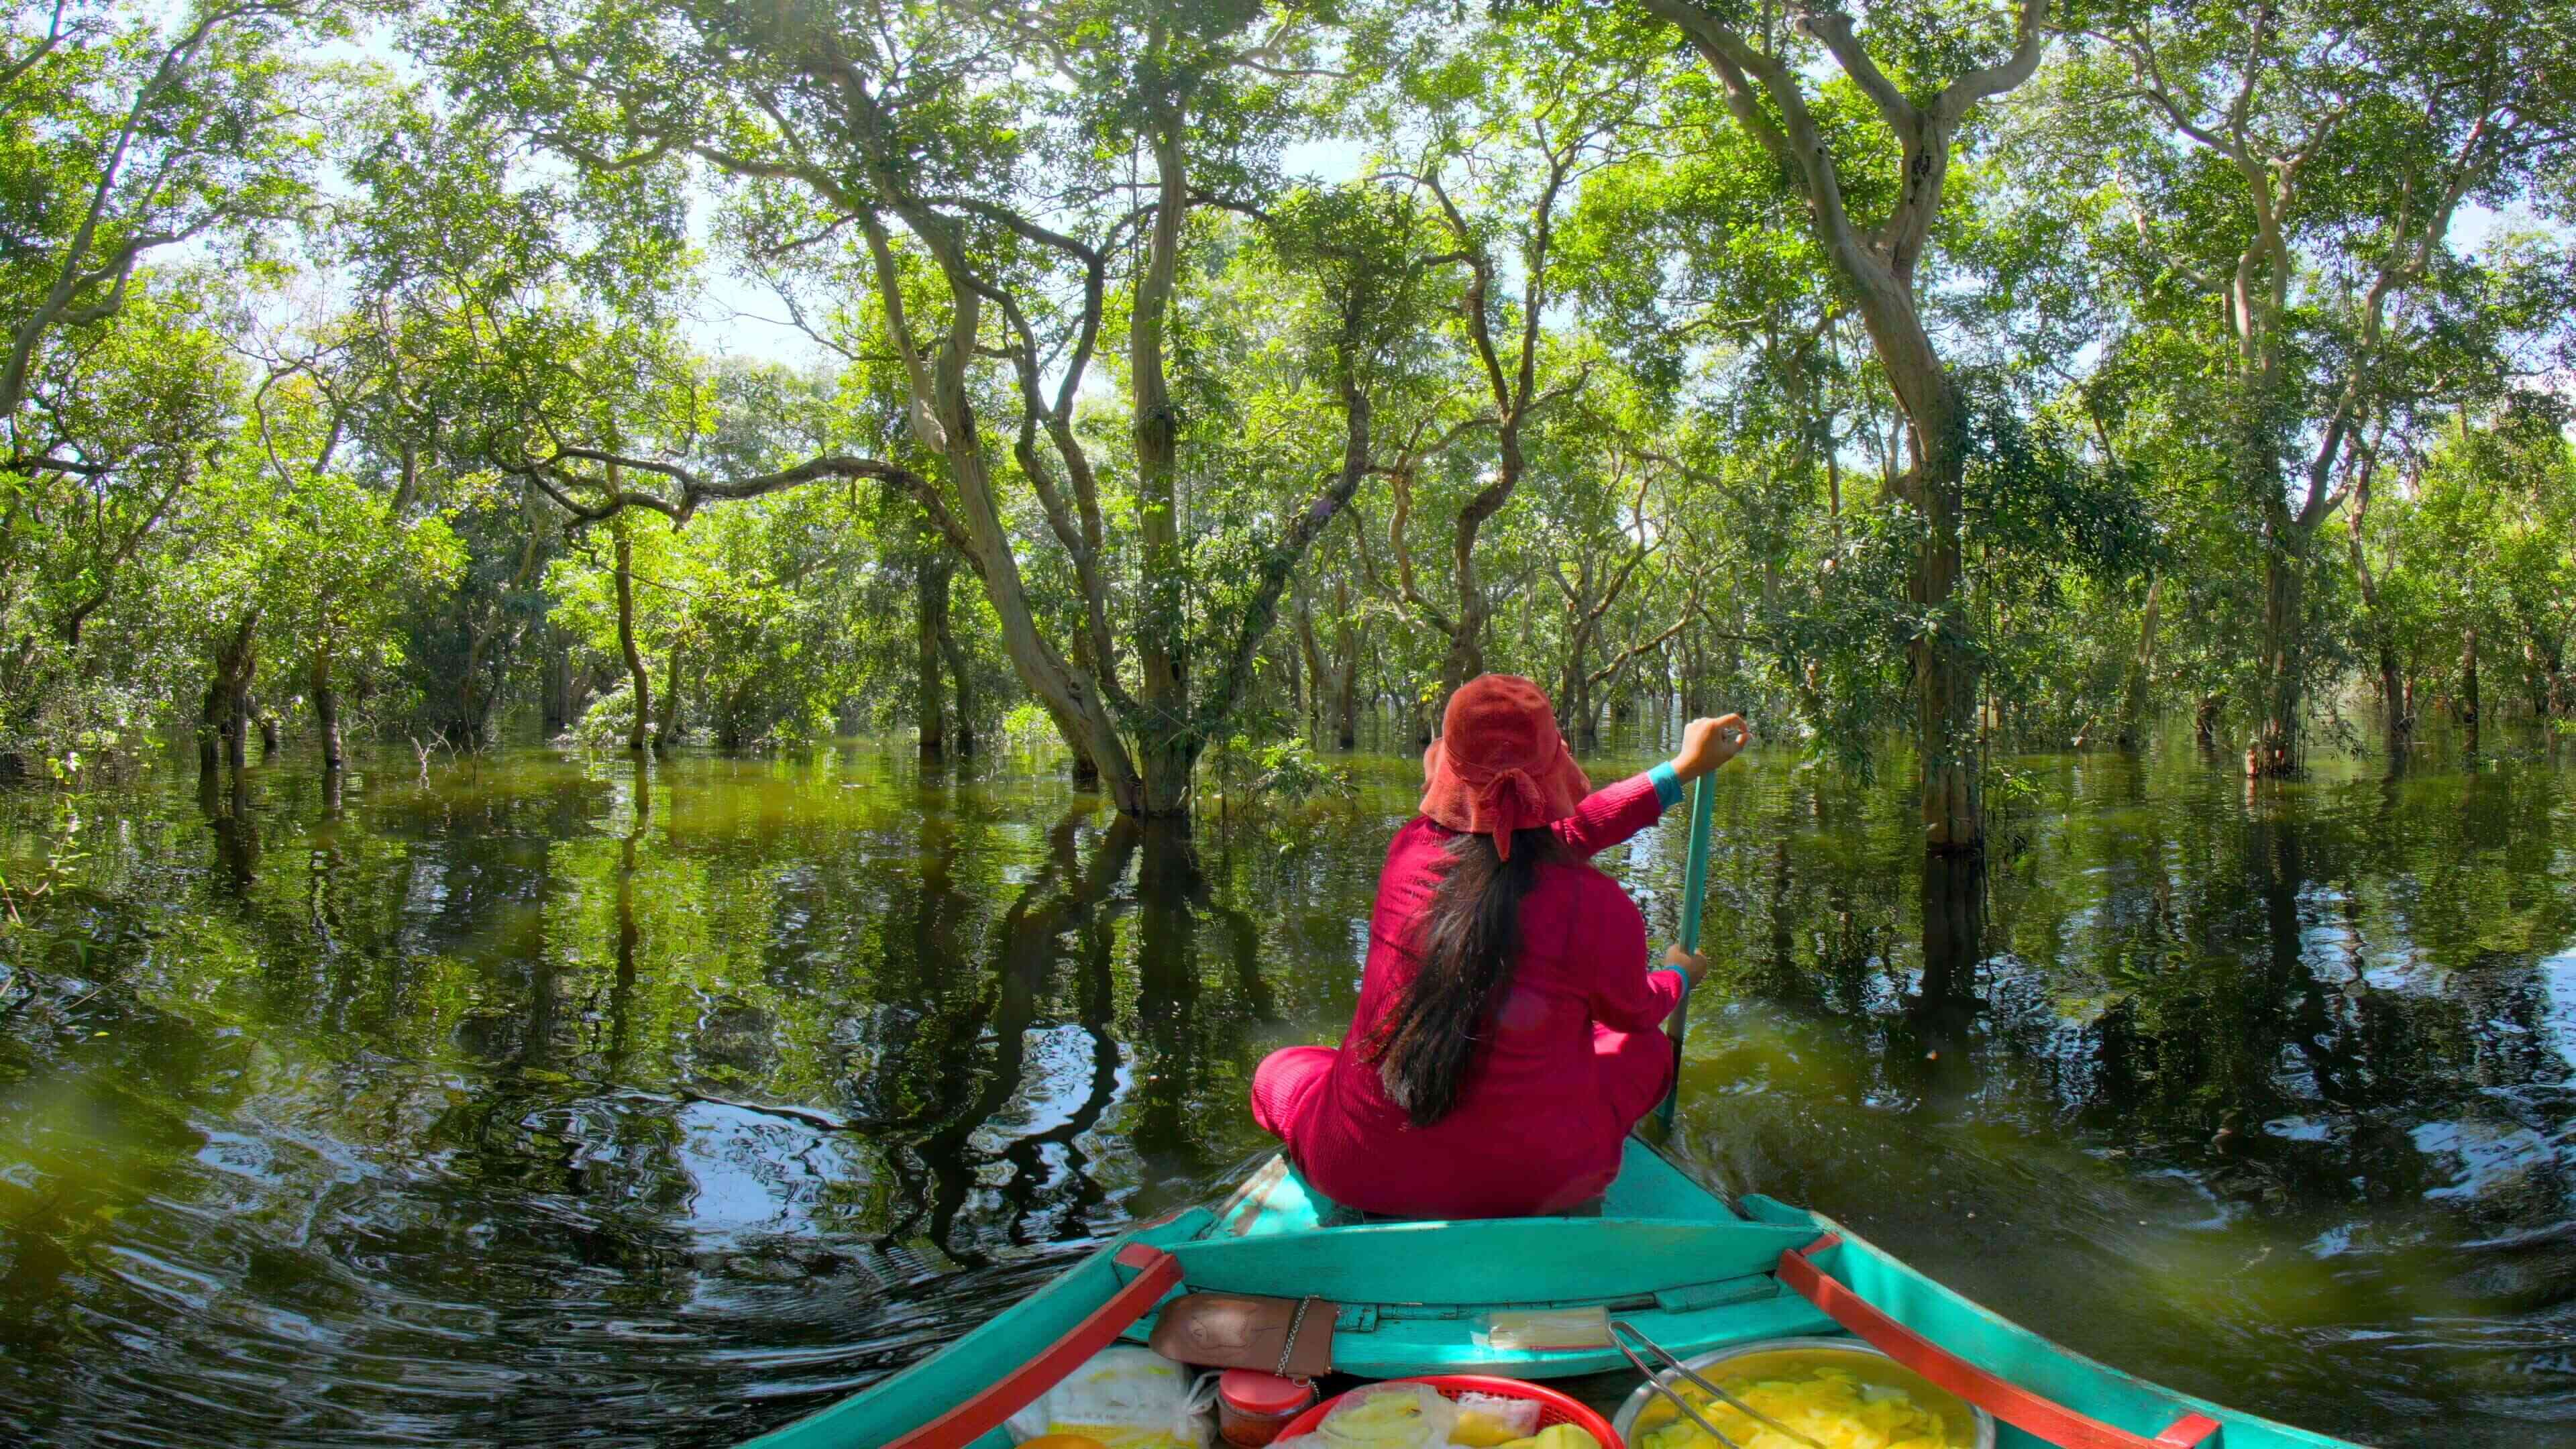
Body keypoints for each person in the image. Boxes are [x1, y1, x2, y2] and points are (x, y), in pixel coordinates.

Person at [1249, 674, 1750, 1219]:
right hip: (1541, 1180)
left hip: (1359, 1167)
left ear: (1447, 771)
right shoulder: (1598, 906)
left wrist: (1680, 773)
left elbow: (1552, 837)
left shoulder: (1407, 854)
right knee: (1644, 1048)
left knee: (1284, 1068)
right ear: (1556, 767)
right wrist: (1677, 977)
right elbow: (1638, 1009)